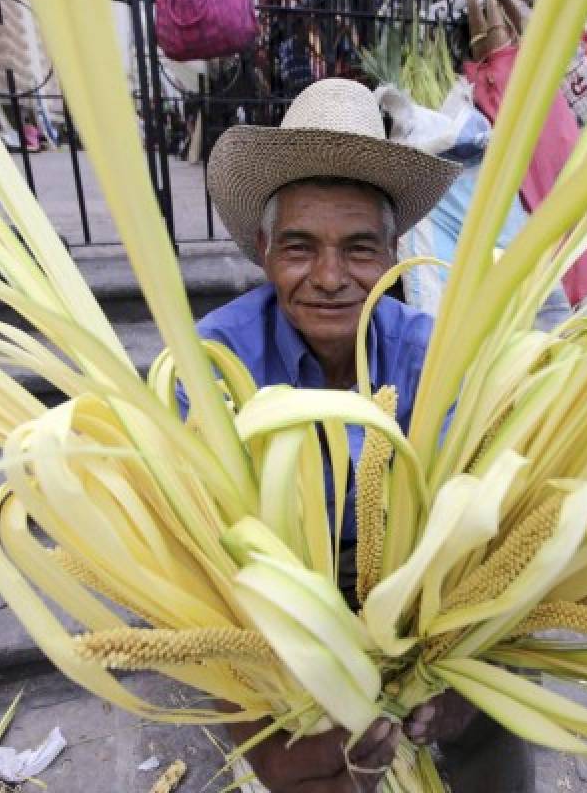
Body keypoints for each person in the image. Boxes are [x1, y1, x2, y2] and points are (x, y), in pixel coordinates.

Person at [199, 78, 534, 793]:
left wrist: (457, 674)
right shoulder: (210, 366)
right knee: (307, 771)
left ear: (392, 253)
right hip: (273, 624)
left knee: (494, 723)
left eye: (358, 249)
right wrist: (261, 724)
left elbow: (494, 530)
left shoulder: (432, 356)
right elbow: (194, 570)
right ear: (262, 250)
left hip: (425, 609)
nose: (328, 278)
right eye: (299, 247)